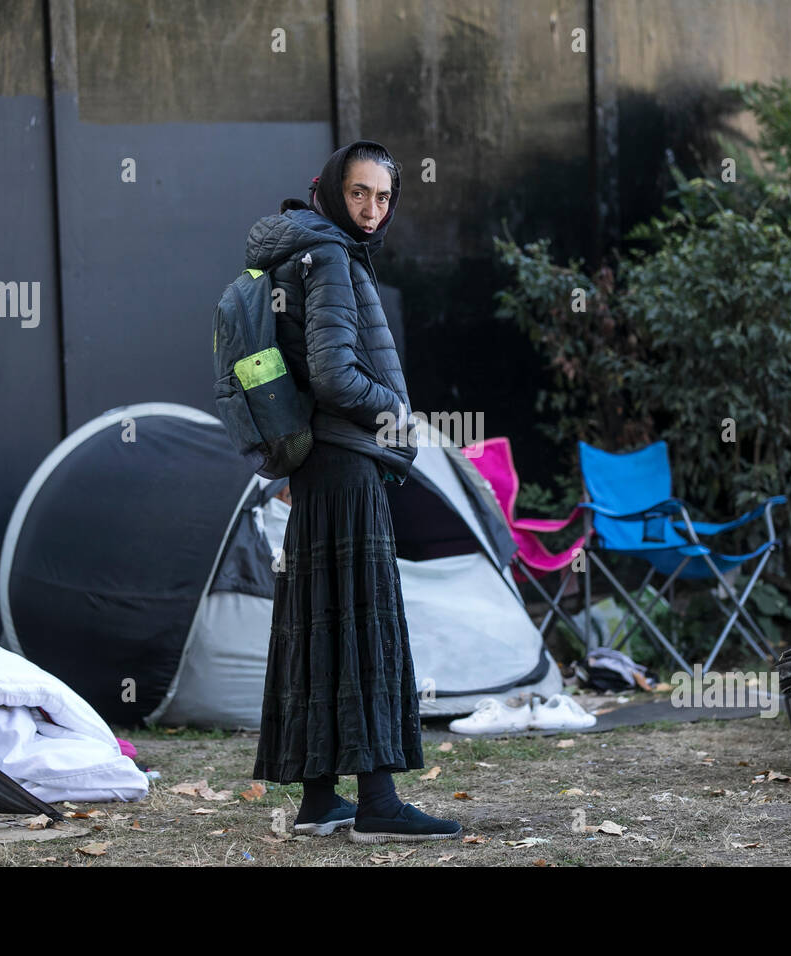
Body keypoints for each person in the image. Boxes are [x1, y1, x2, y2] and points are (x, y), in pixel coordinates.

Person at [246, 139, 463, 844]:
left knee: (321, 621)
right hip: (345, 461)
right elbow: (337, 375)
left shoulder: (295, 250)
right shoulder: (332, 256)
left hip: (314, 465)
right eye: (360, 193)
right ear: (333, 190)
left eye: (384, 196)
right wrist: (395, 414)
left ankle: (318, 798)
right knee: (365, 623)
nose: (372, 209)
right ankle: (378, 802)